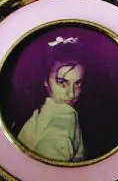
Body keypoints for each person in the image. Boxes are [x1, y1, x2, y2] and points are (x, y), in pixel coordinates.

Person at [16, 35, 86, 163]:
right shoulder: (63, 115)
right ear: (45, 80)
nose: (71, 94)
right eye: (62, 82)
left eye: (77, 83)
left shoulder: (42, 110)